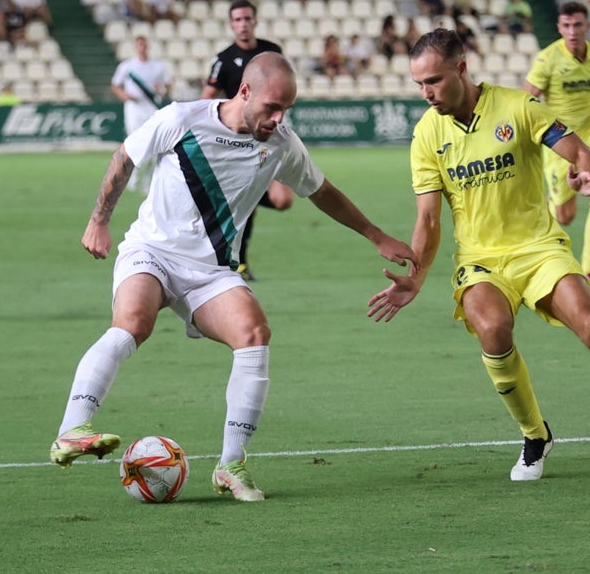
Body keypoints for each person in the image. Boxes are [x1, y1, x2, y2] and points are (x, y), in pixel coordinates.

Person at [50, 53, 417, 501]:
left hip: (210, 272)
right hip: (152, 252)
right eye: (272, 107)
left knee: (254, 332)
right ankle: (72, 429)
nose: (279, 118)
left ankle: (231, 464)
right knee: (133, 325)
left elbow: (322, 192)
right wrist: (99, 220)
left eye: (287, 109)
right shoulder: (181, 119)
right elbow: (125, 156)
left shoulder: (281, 143)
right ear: (244, 92)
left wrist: (375, 235)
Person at [367, 29, 590, 482]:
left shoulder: (518, 107)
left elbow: (581, 152)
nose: (427, 93)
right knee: (493, 329)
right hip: (482, 260)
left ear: (462, 70)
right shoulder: (427, 134)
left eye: (434, 81)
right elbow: (428, 220)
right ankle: (535, 435)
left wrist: (588, 174)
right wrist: (417, 279)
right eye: (419, 84)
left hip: (540, 248)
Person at [523, 2, 590, 292]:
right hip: (560, 139)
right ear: (559, 28)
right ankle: (545, 220)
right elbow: (526, 99)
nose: (572, 31)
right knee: (566, 216)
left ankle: (588, 270)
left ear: (587, 26)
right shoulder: (548, 59)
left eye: (577, 25)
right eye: (566, 26)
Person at [201, 0, 288, 281]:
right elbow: (206, 98)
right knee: (247, 198)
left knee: (283, 200)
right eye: (237, 20)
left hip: (268, 136)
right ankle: (238, 261)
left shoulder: (272, 52)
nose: (243, 24)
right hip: (237, 141)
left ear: (255, 21)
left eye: (247, 18)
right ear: (231, 24)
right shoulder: (224, 60)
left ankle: (230, 198)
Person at [112, 35, 173, 191]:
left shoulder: (158, 66)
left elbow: (167, 86)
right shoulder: (127, 66)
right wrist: (124, 96)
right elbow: (115, 85)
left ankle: (148, 179)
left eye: (144, 44)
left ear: (148, 46)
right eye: (139, 44)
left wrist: (162, 90)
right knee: (133, 142)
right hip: (133, 108)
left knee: (153, 143)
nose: (141, 47)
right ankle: (132, 177)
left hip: (151, 107)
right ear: (135, 46)